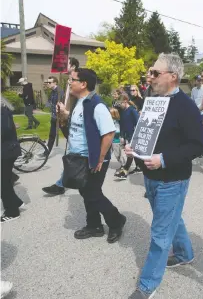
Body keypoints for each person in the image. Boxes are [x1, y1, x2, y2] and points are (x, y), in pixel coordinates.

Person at [124, 53, 203, 299]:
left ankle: (147, 284)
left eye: (155, 73)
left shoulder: (186, 106)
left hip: (172, 178)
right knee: (172, 218)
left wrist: (164, 159)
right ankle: (184, 254)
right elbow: (147, 134)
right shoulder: (153, 101)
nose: (150, 77)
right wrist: (134, 148)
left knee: (160, 234)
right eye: (150, 72)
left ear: (173, 76)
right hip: (150, 177)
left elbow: (198, 145)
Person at [56, 68, 126, 243]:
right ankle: (94, 225)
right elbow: (77, 126)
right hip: (78, 157)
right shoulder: (79, 102)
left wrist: (100, 158)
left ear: (83, 84)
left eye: (72, 79)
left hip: (94, 159)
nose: (69, 82)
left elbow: (109, 134)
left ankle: (116, 221)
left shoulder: (97, 105)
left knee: (93, 193)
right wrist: (64, 115)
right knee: (86, 191)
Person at [42, 59, 79, 195]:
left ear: (73, 66)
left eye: (67, 63)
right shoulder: (69, 81)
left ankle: (61, 184)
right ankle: (62, 183)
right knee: (74, 154)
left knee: (74, 153)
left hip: (75, 123)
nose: (63, 65)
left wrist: (67, 113)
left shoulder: (78, 81)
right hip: (68, 120)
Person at [1, 97, 25, 222]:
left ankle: (12, 211)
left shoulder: (2, 109)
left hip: (6, 151)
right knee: (4, 181)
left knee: (3, 183)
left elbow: (3, 131)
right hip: (7, 150)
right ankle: (16, 201)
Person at [114, 93, 141, 180]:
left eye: (120, 103)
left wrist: (135, 136)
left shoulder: (132, 110)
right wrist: (122, 136)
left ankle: (125, 171)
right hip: (126, 135)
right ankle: (138, 167)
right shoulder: (123, 111)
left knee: (130, 153)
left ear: (125, 101)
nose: (119, 105)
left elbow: (138, 124)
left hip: (132, 135)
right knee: (132, 153)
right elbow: (122, 124)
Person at [38, 76, 64, 158]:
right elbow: (50, 101)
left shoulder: (59, 91)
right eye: (47, 82)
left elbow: (60, 104)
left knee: (68, 135)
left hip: (60, 118)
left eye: (49, 82)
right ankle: (47, 153)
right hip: (54, 116)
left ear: (55, 83)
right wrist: (43, 108)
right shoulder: (52, 91)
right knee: (52, 135)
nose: (48, 84)